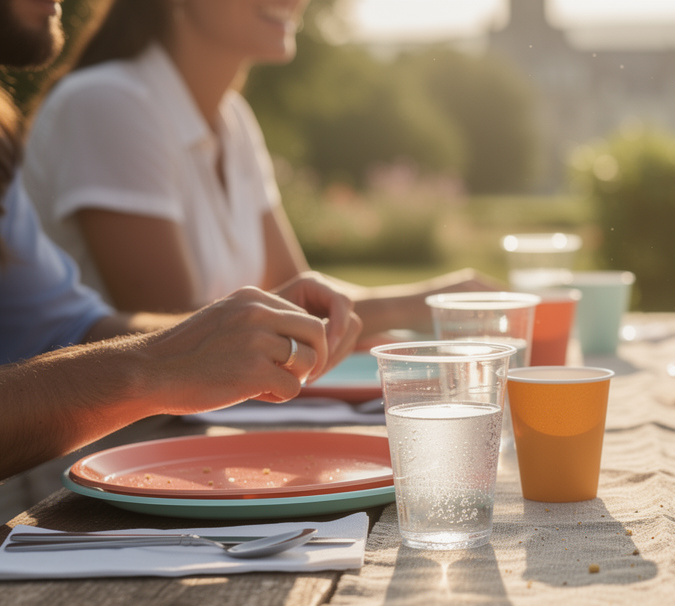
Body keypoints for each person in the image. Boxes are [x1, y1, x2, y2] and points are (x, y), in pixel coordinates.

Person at [0, 0, 362, 482]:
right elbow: (151, 342)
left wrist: (228, 329)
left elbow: (67, 325)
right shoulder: (108, 101)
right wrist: (155, 367)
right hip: (57, 482)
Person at [20, 0, 498, 335]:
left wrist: (438, 307)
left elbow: (309, 305)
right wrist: (435, 303)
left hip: (205, 440)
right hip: (96, 466)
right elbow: (182, 341)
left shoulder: (233, 120)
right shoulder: (108, 104)